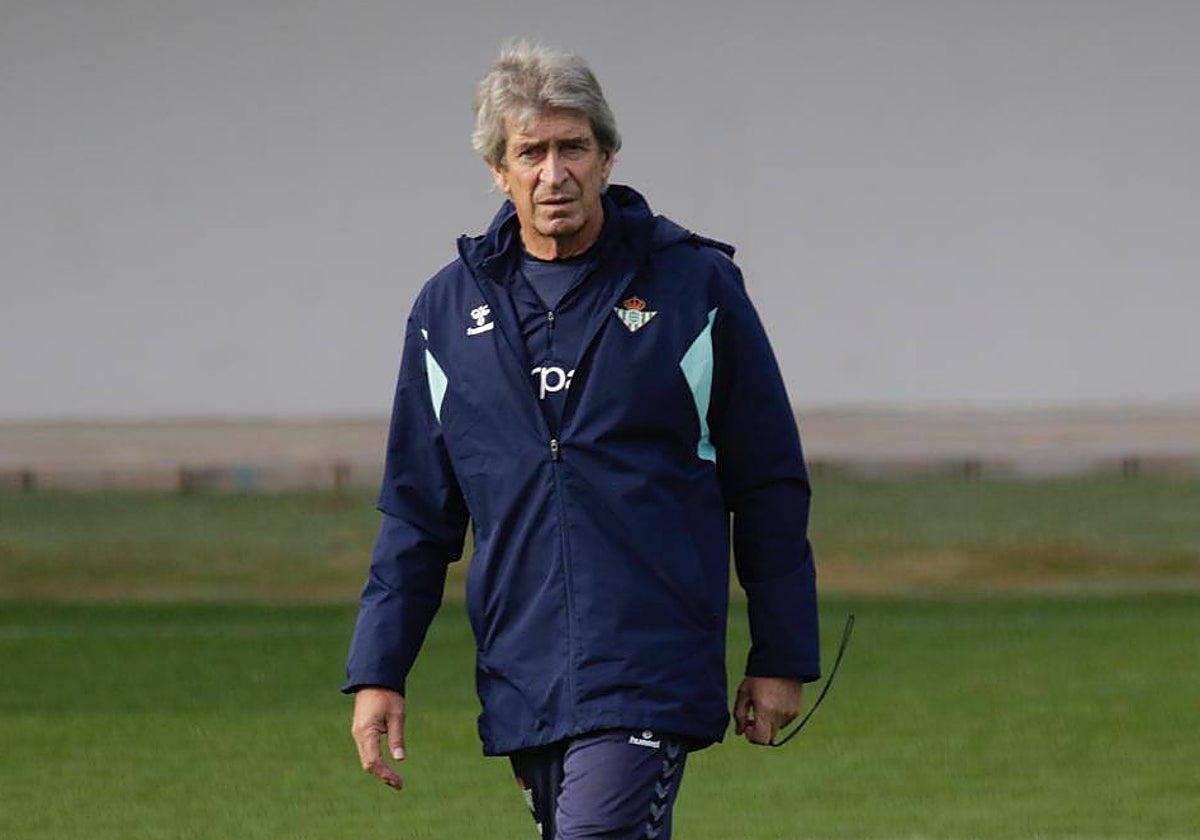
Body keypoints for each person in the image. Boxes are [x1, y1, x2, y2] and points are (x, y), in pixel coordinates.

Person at [345, 42, 820, 840]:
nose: (553, 173)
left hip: (651, 660)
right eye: (531, 152)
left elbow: (767, 480)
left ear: (606, 159)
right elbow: (417, 517)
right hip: (523, 668)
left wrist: (781, 653)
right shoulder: (445, 313)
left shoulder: (695, 288)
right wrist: (378, 671)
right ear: (499, 170)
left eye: (574, 148)